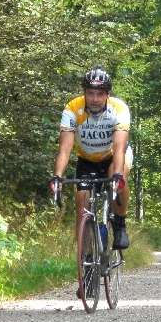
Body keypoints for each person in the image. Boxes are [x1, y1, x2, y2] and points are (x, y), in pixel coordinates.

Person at [49, 66, 132, 250]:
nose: (95, 99)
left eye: (100, 94)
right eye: (90, 93)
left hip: (114, 156)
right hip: (87, 159)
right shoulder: (72, 108)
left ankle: (120, 225)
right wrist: (57, 176)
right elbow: (64, 148)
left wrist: (117, 175)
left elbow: (119, 147)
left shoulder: (119, 109)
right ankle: (85, 258)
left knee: (118, 178)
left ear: (107, 94)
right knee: (82, 201)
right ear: (84, 93)